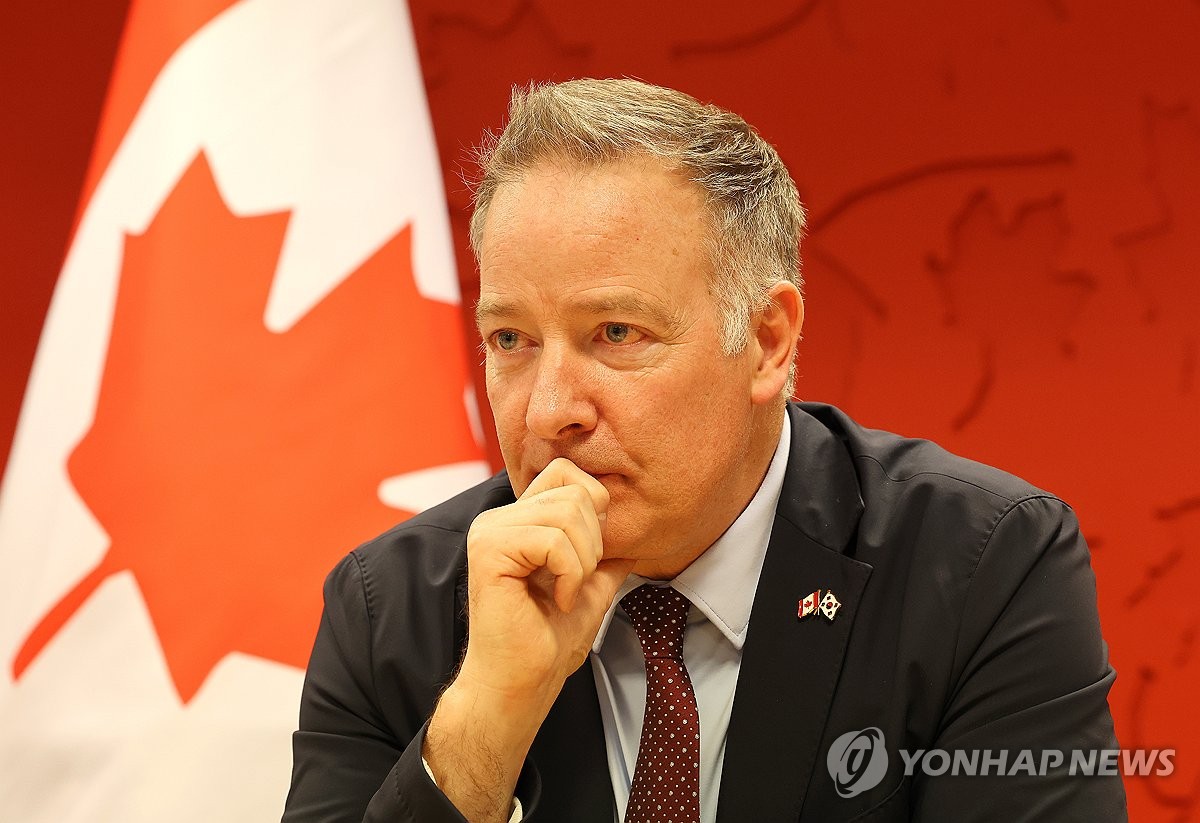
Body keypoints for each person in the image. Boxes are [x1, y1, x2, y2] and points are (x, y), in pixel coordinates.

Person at [282, 78, 1125, 822]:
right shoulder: (389, 606)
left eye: (615, 333)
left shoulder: (982, 566)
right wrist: (488, 716)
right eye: (510, 339)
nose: (548, 412)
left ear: (766, 341)